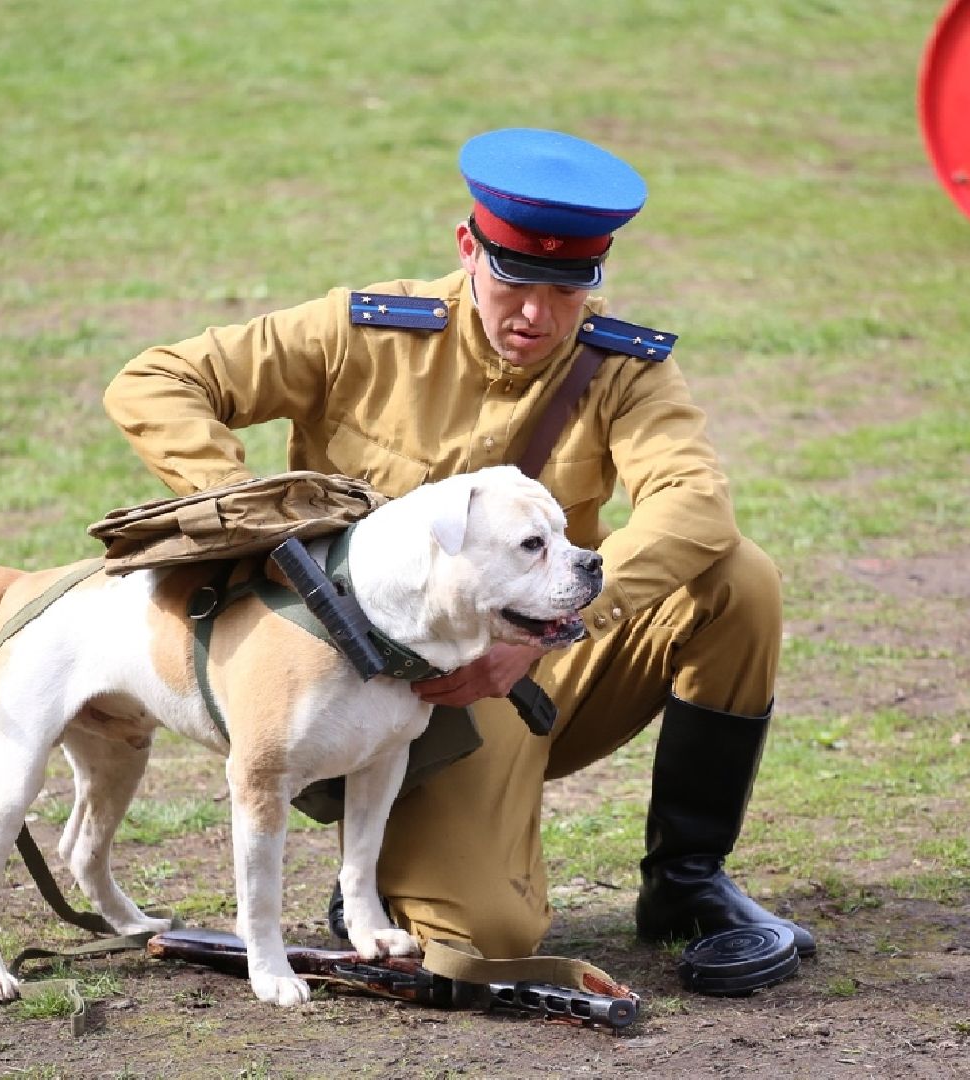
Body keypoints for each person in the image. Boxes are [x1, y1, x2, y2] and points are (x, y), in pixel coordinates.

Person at [105, 128, 815, 961]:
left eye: (567, 288)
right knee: (486, 940)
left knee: (738, 579)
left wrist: (562, 632)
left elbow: (694, 504)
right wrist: (254, 513)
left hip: (530, 661)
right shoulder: (361, 334)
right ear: (467, 247)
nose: (536, 315)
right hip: (386, 687)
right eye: (515, 278)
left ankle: (688, 881)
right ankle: (382, 871)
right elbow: (155, 379)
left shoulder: (623, 367)